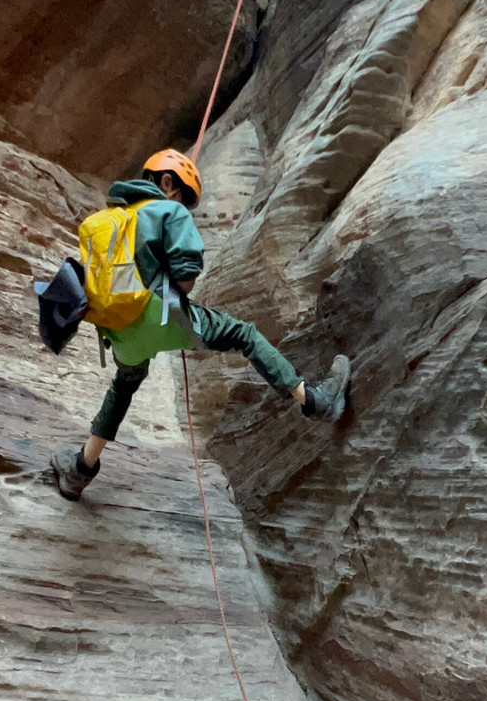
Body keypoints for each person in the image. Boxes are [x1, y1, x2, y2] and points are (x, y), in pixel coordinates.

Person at [51, 149, 350, 500]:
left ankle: (80, 470)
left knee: (124, 386)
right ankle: (315, 400)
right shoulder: (169, 209)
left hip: (118, 333)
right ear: (167, 183)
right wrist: (175, 298)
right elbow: (187, 274)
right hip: (164, 316)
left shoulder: (114, 218)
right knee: (244, 334)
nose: (184, 206)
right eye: (184, 197)